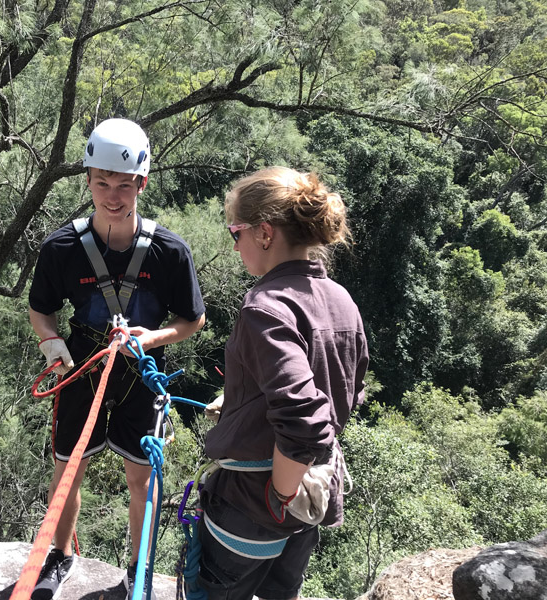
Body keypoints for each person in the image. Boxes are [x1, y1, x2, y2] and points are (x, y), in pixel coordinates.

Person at [28, 118, 206, 600]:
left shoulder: (169, 251)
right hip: (81, 367)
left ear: (141, 184)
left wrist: (154, 337)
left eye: (124, 185)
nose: (112, 196)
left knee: (140, 476)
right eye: (102, 183)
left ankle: (137, 568)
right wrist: (50, 341)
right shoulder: (62, 248)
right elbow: (41, 309)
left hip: (141, 373)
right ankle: (59, 555)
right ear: (88, 180)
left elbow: (193, 319)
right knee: (68, 468)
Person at [198, 166, 369, 600]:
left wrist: (281, 493)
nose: (234, 244)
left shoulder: (265, 307)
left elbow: (304, 420)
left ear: (265, 233)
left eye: (236, 232)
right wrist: (241, 402)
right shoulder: (341, 300)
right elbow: (346, 390)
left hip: (255, 505)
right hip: (311, 500)